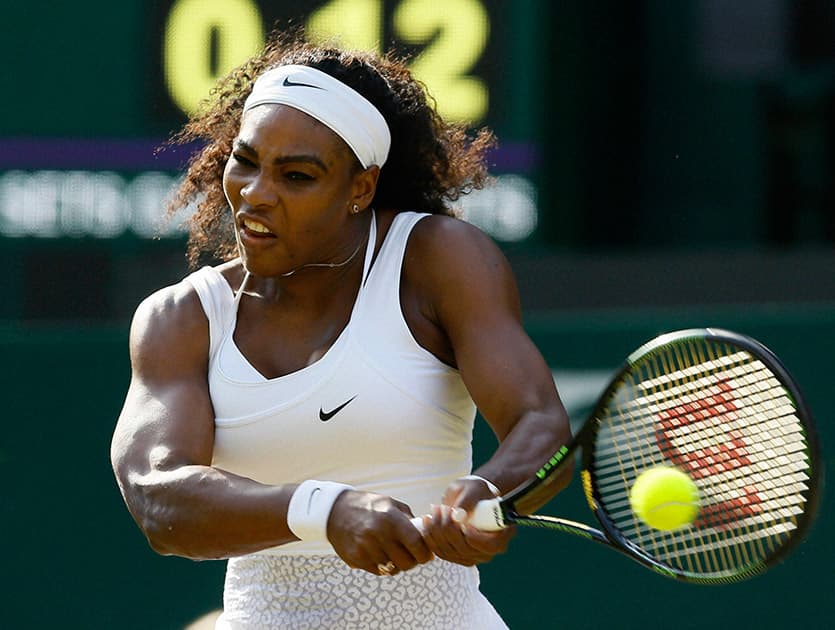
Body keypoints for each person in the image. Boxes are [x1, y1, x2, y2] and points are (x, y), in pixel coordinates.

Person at [110, 30, 572, 629]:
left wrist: (490, 490)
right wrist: (324, 510)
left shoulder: (437, 260)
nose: (254, 196)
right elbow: (157, 496)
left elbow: (543, 428)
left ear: (361, 188)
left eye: (296, 177)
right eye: (244, 163)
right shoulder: (181, 318)